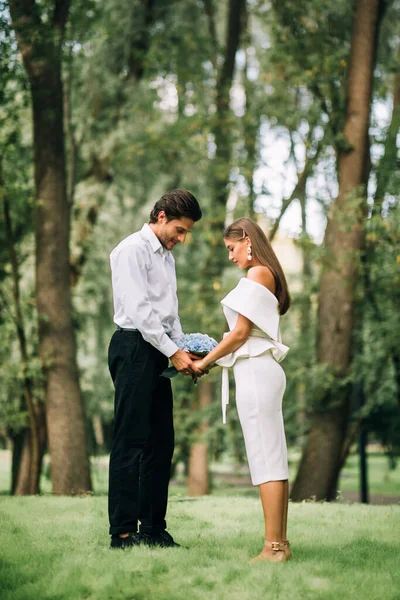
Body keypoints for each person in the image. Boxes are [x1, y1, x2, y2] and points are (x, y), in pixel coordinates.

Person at [108, 189, 204, 549]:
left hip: (157, 349)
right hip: (133, 346)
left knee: (161, 443)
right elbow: (140, 312)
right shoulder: (131, 250)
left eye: (186, 233)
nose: (181, 239)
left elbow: (169, 313)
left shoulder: (166, 258)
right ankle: (121, 533)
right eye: (180, 230)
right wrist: (173, 352)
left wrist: (186, 350)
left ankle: (151, 528)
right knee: (130, 441)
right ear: (161, 216)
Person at [193, 217, 292, 563]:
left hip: (256, 373)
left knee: (266, 460)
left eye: (232, 248)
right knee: (272, 458)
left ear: (247, 240)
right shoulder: (266, 274)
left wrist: (204, 363)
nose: (231, 257)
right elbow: (240, 337)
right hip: (261, 371)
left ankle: (273, 548)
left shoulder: (257, 273)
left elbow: (238, 334)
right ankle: (280, 543)